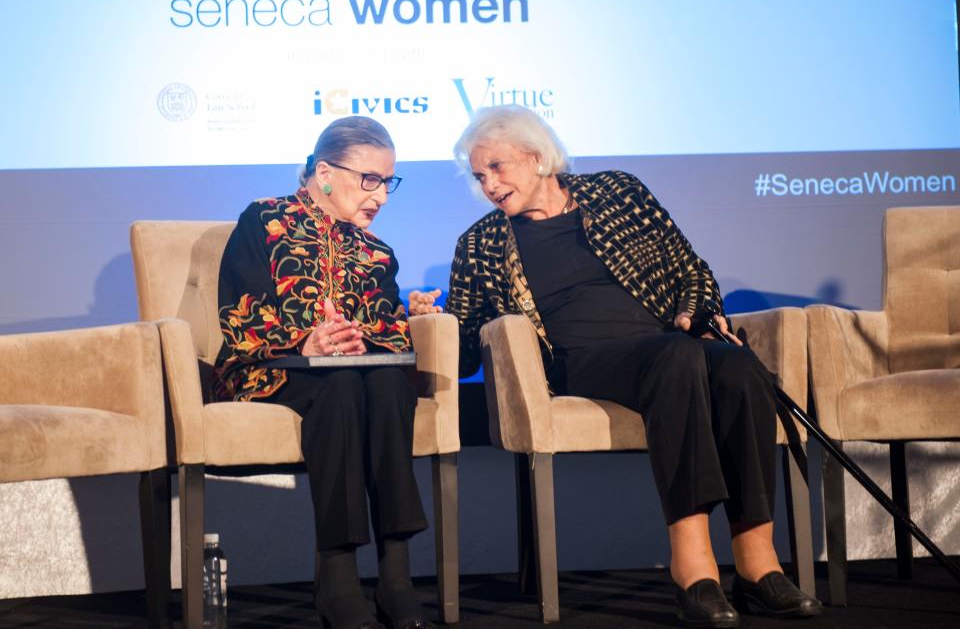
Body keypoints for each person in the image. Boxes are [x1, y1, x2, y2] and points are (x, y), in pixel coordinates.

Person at [409, 105, 822, 628]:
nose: (488, 184)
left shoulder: (619, 192)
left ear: (537, 159)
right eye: (479, 175)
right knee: (676, 357)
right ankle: (692, 564)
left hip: (665, 344)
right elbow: (469, 348)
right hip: (578, 363)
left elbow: (690, 268)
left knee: (738, 369)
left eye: (497, 167)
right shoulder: (481, 242)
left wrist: (694, 311)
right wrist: (436, 317)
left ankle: (756, 560)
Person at [214, 116, 432, 629]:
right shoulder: (265, 220)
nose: (381, 195)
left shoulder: (377, 251)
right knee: (339, 385)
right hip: (270, 369)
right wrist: (305, 340)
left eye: (387, 182)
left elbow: (385, 323)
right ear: (326, 172)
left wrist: (396, 322)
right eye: (370, 180)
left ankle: (396, 577)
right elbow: (240, 310)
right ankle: (337, 580)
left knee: (384, 382)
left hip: (353, 376)